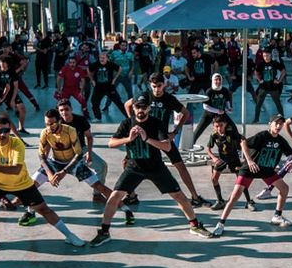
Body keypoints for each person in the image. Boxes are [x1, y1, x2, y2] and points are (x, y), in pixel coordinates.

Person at [90, 97, 212, 246]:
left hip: (156, 167)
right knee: (114, 197)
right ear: (133, 109)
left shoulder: (156, 123)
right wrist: (128, 139)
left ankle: (195, 225)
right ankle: (104, 232)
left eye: (144, 107)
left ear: (148, 108)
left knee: (179, 195)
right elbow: (111, 143)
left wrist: (146, 138)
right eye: (138, 107)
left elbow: (167, 147)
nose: (140, 110)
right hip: (134, 168)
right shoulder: (127, 123)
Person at [0, 118, 85, 252]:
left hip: (22, 184)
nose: (3, 134)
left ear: (10, 131)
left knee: (44, 210)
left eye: (6, 130)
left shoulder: (17, 144)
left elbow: (15, 169)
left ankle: (69, 236)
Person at [124, 74, 209, 207]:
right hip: (143, 137)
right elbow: (127, 105)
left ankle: (195, 196)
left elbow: (185, 113)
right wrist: (133, 122)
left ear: (164, 84)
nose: (157, 89)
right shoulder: (144, 96)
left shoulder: (169, 99)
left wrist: (175, 132)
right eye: (154, 86)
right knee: (127, 161)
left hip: (161, 137)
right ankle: (131, 195)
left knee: (180, 165)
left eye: (159, 86)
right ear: (150, 85)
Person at [34, 109, 116, 207]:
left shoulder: (73, 127)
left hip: (75, 158)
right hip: (56, 161)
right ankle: (24, 209)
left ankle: (123, 207)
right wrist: (49, 174)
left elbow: (86, 143)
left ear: (59, 121)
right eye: (46, 124)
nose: (49, 127)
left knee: (100, 180)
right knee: (30, 187)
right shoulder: (45, 132)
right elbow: (42, 154)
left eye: (51, 124)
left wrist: (88, 153)